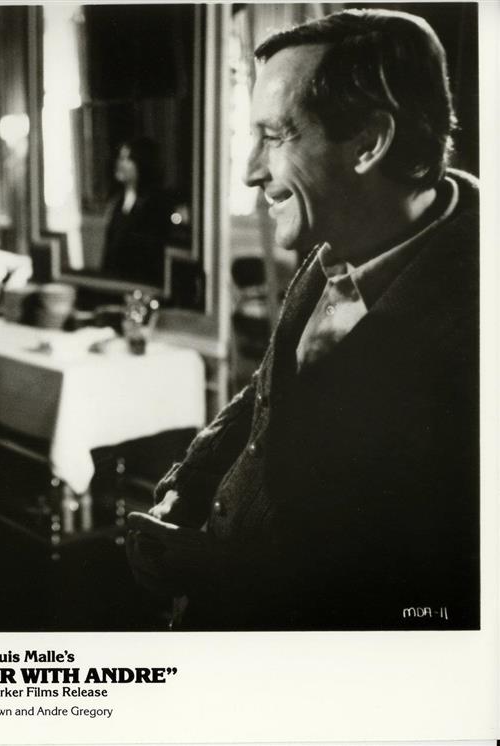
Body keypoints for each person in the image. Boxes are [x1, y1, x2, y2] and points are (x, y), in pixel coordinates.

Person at [126, 9, 479, 630]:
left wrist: (226, 576)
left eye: (275, 135)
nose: (249, 170)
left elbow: (428, 604)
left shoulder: (474, 326)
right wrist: (191, 483)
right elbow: (268, 387)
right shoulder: (333, 246)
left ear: (369, 142)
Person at [99, 137, 172, 287]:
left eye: (127, 159)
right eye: (120, 158)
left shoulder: (155, 205)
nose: (120, 163)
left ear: (142, 164)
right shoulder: (117, 202)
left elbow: (152, 255)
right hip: (116, 284)